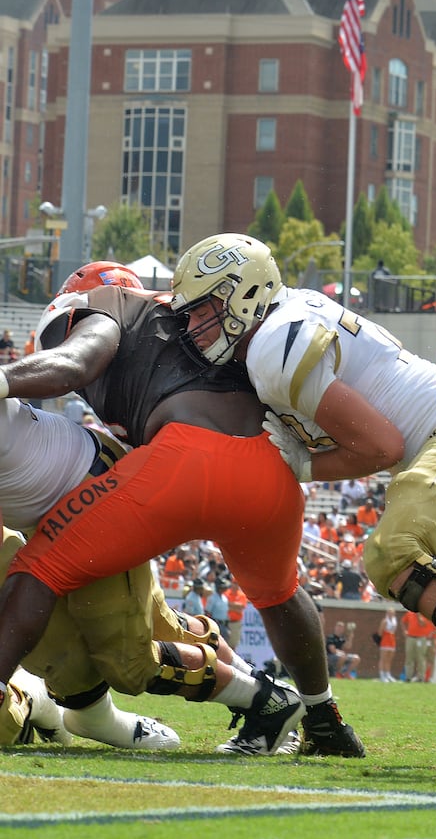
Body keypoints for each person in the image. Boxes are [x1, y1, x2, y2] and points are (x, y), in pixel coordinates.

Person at [169, 232, 436, 766]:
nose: (193, 324)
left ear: (242, 294)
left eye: (204, 308)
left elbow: (382, 444)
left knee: (393, 554)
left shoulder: (273, 347)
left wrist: (303, 465)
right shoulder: (285, 318)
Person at [0, 251, 362, 758]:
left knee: (38, 569)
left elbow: (74, 363)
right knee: (280, 594)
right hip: (270, 466)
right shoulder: (186, 319)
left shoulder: (105, 308)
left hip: (187, 459)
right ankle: (325, 721)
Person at [377, 611, 398, 682]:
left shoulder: (395, 621)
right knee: (383, 659)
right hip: (385, 641)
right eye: (389, 613)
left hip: (392, 641)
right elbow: (380, 632)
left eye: (392, 613)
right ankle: (382, 675)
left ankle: (388, 674)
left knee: (389, 659)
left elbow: (394, 631)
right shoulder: (384, 621)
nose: (391, 614)